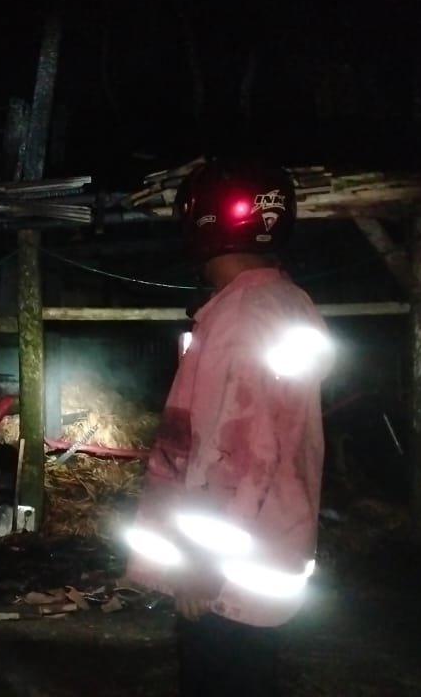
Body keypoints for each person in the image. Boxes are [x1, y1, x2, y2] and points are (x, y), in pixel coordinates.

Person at [124, 160, 333, 696]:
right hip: (270, 544)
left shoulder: (239, 320)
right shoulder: (289, 303)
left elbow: (237, 455)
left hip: (227, 575)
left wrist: (201, 564)